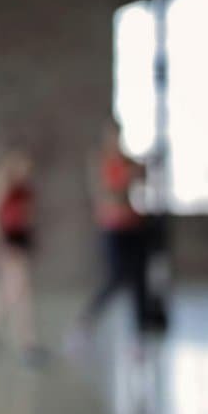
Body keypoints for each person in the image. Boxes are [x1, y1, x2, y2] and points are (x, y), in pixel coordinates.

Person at [71, 119, 151, 340]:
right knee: (116, 276)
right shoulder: (99, 162)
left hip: (132, 225)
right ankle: (88, 317)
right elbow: (105, 193)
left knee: (138, 277)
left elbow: (143, 177)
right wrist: (127, 179)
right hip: (111, 226)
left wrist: (139, 172)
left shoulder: (127, 161)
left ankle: (140, 328)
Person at [0, 148, 47, 366]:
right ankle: (28, 344)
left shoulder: (25, 189)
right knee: (22, 292)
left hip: (19, 241)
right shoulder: (2, 185)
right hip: (7, 244)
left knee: (8, 291)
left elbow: (28, 218)